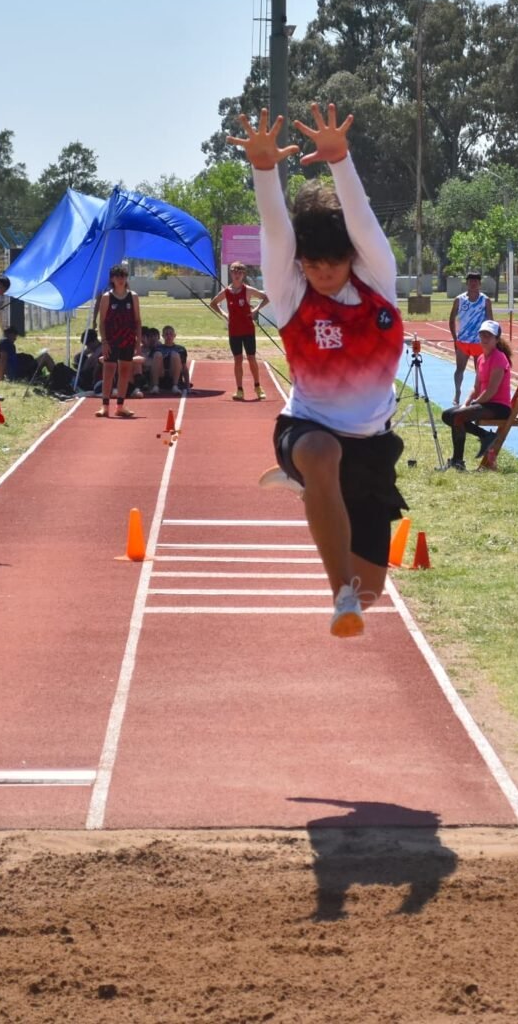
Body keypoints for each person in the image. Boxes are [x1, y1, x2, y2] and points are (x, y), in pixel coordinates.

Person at [229, 102, 405, 638]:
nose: (323, 273)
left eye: (333, 262)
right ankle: (340, 595)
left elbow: (364, 224)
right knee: (321, 454)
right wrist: (265, 171)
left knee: (375, 588)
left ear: (351, 256)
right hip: (308, 429)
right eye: (312, 263)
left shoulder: (377, 280)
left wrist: (340, 161)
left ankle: (313, 497)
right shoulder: (289, 293)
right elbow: (276, 230)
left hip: (372, 446)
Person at [440, 319, 513, 470]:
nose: (485, 339)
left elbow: (491, 391)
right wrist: (466, 403)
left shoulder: (499, 358)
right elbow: (476, 387)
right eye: (483, 335)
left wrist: (475, 404)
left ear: (496, 339)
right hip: (485, 403)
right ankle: (485, 436)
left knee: (458, 417)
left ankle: (457, 461)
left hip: (498, 406)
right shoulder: (480, 358)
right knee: (447, 415)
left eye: (489, 336)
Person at [209, 261, 269, 401]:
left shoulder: (248, 290)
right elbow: (213, 303)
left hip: (248, 329)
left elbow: (267, 297)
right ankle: (239, 389)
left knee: (251, 358)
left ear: (243, 275)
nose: (237, 275)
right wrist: (224, 314)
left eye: (240, 272)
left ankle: (257, 386)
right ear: (231, 273)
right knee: (237, 360)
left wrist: (255, 310)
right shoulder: (226, 292)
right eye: (234, 272)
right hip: (234, 330)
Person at [96, 264, 142, 416]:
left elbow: (137, 321)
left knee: (124, 371)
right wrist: (104, 341)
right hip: (111, 339)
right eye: (117, 276)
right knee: (109, 371)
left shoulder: (133, 296)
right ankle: (105, 406)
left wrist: (138, 341)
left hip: (128, 338)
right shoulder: (107, 297)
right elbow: (101, 322)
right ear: (112, 279)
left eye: (123, 276)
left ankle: (120, 406)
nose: (121, 279)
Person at [448, 271, 494, 405]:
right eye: (470, 282)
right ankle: (457, 393)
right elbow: (451, 319)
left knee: (479, 371)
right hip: (463, 341)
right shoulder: (459, 300)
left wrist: (490, 340)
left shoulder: (485, 300)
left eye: (476, 282)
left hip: (479, 342)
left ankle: (478, 394)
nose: (473, 284)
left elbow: (490, 320)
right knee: (459, 369)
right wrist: (454, 338)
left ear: (479, 284)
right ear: (467, 283)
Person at [150, 325, 188, 394]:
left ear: (174, 335)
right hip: (161, 375)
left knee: (175, 354)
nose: (169, 336)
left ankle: (175, 386)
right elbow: (150, 366)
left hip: (173, 374)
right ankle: (155, 386)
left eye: (171, 334)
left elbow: (184, 368)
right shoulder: (157, 348)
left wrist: (187, 386)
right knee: (157, 354)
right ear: (163, 336)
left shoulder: (180, 349)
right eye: (166, 334)